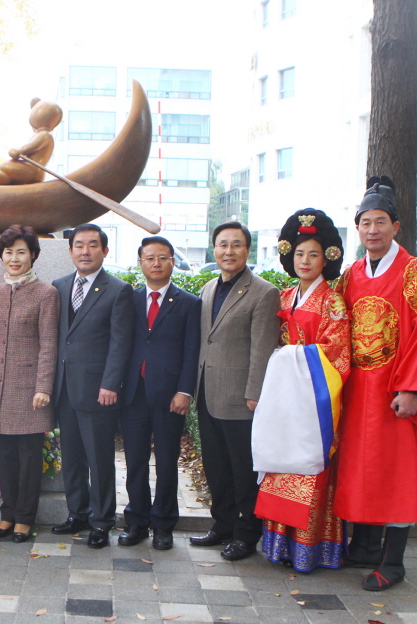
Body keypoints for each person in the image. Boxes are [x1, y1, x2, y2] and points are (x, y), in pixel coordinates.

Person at [334, 176, 417, 591]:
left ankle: (394, 561)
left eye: (380, 222)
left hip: (395, 389)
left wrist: (412, 388)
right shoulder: (351, 275)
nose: (373, 230)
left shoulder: (414, 272)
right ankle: (363, 547)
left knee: (397, 470)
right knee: (361, 467)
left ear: (396, 226)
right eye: (365, 223)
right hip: (358, 389)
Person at [251, 209, 350, 572]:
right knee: (280, 466)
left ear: (328, 257)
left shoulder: (333, 301)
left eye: (313, 254)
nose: (305, 261)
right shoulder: (284, 296)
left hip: (313, 402)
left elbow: (338, 354)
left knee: (310, 470)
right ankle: (279, 547)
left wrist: (290, 355)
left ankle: (312, 550)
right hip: (283, 401)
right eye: (299, 254)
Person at [189, 220, 280, 561]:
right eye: (223, 245)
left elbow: (262, 348)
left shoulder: (263, 292)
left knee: (243, 470)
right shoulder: (209, 288)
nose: (229, 251)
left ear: (247, 250)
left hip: (242, 398)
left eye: (236, 245)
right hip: (208, 393)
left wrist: (254, 393)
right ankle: (222, 525)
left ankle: (246, 534)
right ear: (215, 249)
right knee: (216, 467)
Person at [51, 223, 134, 549]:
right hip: (65, 389)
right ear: (70, 251)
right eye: (79, 245)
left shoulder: (117, 290)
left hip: (99, 391)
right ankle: (78, 513)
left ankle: (102, 521)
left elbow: (120, 343)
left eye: (92, 245)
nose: (85, 251)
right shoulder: (59, 286)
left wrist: (111, 383)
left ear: (104, 251)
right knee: (71, 457)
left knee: (99, 460)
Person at [118, 236, 201, 551]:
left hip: (170, 395)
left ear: (172, 262)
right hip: (133, 392)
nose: (156, 263)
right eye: (149, 258)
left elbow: (192, 351)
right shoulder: (130, 299)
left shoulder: (189, 303)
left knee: (167, 462)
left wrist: (184, 391)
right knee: (135, 461)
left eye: (163, 257)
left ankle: (164, 525)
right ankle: (137, 521)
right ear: (140, 262)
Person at [0, 225, 58, 543]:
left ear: (33, 256)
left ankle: (25, 518)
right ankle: (7, 515)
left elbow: (49, 345)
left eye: (21, 251)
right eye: (8, 252)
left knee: (28, 455)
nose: (14, 258)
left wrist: (44, 387)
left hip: (30, 389)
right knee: (5, 455)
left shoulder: (46, 293)